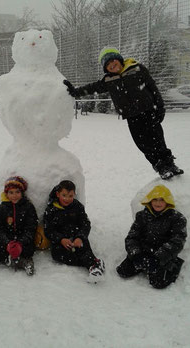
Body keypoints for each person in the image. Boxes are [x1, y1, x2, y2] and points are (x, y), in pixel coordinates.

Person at [63, 47, 184, 180]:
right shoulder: (109, 80)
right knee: (143, 144)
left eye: (113, 61)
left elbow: (152, 87)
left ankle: (170, 164)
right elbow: (93, 87)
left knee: (157, 139)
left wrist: (160, 106)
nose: (111, 65)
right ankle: (161, 166)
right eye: (107, 64)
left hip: (149, 111)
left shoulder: (137, 69)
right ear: (106, 68)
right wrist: (75, 91)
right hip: (131, 117)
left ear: (119, 59)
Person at [116, 185, 187, 289]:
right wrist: (136, 254)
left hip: (162, 254)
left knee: (158, 283)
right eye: (155, 199)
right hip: (143, 251)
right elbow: (132, 237)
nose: (158, 203)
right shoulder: (142, 215)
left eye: (162, 200)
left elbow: (177, 242)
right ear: (150, 200)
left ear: (167, 201)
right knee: (123, 271)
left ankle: (174, 264)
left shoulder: (177, 218)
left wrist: (158, 258)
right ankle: (144, 264)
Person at [43, 180, 105, 283]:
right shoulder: (51, 210)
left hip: (76, 236)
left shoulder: (77, 206)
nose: (67, 199)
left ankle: (93, 267)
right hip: (61, 240)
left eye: (70, 196)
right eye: (64, 195)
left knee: (83, 249)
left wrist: (80, 237)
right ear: (58, 194)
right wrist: (61, 239)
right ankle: (94, 263)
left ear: (74, 195)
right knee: (58, 255)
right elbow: (48, 230)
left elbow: (85, 223)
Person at [0, 176, 38, 276]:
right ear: (6, 194)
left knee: (29, 249)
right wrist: (7, 242)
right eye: (11, 192)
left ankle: (14, 259)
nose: (14, 196)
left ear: (22, 193)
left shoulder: (28, 207)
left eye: (17, 192)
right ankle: (16, 260)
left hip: (22, 240)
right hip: (7, 240)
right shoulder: (2, 207)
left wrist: (20, 243)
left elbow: (31, 228)